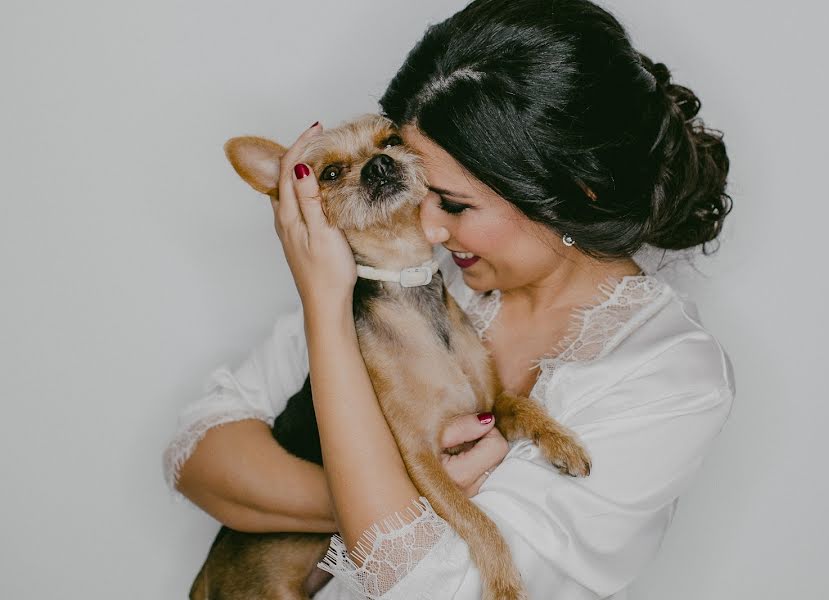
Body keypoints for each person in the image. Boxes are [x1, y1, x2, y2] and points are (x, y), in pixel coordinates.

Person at [162, 0, 736, 597]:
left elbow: (439, 588)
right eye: (421, 190)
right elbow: (201, 453)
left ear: (574, 194)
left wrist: (347, 497)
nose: (429, 230)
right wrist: (326, 309)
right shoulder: (413, 277)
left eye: (455, 204)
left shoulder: (670, 376)